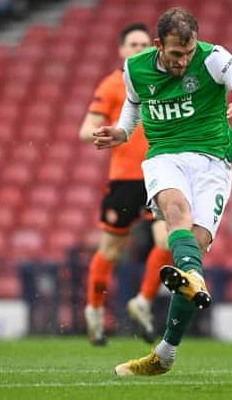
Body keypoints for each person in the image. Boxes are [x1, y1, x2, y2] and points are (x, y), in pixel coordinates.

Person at [93, 7, 232, 376]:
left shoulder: (215, 59)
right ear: (160, 45)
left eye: (189, 53)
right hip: (164, 156)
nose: (184, 61)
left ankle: (165, 354)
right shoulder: (136, 68)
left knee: (195, 247)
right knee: (176, 210)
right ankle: (191, 279)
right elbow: (133, 105)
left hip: (213, 162)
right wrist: (123, 132)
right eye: (177, 54)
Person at [79, 22, 173, 346]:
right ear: (121, 51)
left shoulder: (163, 82)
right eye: (132, 44)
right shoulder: (112, 84)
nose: (138, 49)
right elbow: (85, 128)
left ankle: (143, 302)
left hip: (159, 175)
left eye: (144, 44)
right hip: (124, 180)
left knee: (167, 240)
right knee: (112, 249)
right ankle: (94, 310)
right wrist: (107, 133)